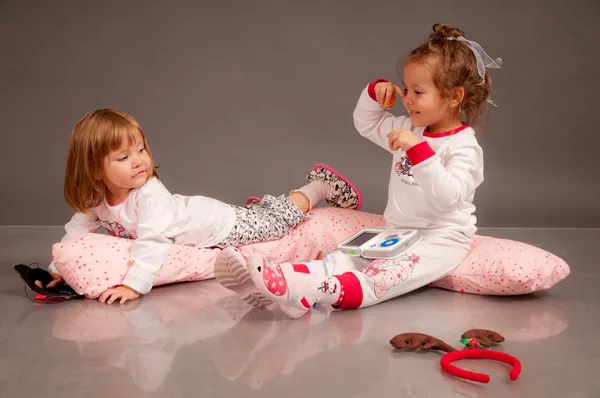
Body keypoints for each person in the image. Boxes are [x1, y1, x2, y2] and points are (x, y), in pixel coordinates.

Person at [214, 23, 502, 318]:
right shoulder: (409, 127)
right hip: (398, 229)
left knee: (391, 272)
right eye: (405, 88)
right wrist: (374, 94)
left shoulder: (464, 146)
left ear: (454, 97)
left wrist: (418, 150)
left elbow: (448, 197)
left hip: (442, 237)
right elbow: (368, 124)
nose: (408, 98)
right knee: (348, 256)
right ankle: (286, 282)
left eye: (418, 91)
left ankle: (314, 291)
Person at [42, 109, 362, 304]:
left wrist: (133, 285)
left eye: (141, 149)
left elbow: (151, 243)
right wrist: (58, 268)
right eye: (124, 158)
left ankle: (317, 185)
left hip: (218, 227)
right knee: (261, 218)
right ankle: (258, 209)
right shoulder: (98, 196)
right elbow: (78, 231)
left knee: (276, 224)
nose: (139, 162)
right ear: (96, 171)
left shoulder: (148, 196)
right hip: (196, 217)